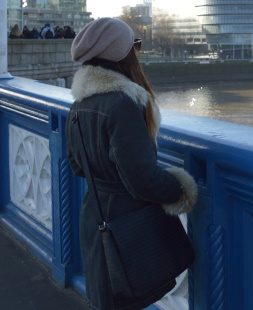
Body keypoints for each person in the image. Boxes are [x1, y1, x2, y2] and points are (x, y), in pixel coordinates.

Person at [66, 17, 197, 310]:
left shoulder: (78, 106)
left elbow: (76, 165)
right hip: (126, 225)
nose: (137, 51)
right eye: (134, 45)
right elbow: (142, 179)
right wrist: (182, 189)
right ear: (119, 53)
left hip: (95, 218)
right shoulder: (123, 104)